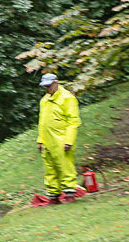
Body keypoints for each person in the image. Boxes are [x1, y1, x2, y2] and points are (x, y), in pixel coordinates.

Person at [37, 73, 81, 204]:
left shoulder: (67, 98)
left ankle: (69, 194)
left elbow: (73, 121)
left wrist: (69, 141)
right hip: (47, 140)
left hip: (61, 139)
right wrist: (40, 140)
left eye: (49, 86)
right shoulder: (44, 100)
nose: (47, 88)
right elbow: (42, 122)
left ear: (56, 83)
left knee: (65, 166)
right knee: (50, 169)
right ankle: (53, 196)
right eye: (45, 86)